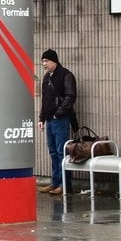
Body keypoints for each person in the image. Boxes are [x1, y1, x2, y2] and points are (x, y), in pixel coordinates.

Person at [37, 49, 77, 196]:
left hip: (60, 119)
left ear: (54, 61)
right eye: (43, 61)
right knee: (53, 152)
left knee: (62, 152)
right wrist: (41, 118)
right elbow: (45, 99)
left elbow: (70, 96)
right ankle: (55, 182)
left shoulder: (66, 75)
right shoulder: (47, 77)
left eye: (46, 61)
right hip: (49, 119)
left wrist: (58, 113)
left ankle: (64, 184)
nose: (44, 64)